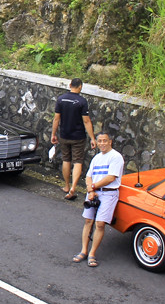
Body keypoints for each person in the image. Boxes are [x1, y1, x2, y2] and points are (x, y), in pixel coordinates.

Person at [73, 132, 125, 267]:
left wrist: (93, 187)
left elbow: (111, 178)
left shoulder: (116, 157)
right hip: (94, 192)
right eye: (100, 141)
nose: (102, 143)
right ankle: (84, 250)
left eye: (104, 141)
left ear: (110, 142)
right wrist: (91, 190)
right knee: (88, 220)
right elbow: (89, 176)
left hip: (108, 193)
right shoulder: (96, 158)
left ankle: (92, 253)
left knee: (100, 224)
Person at [51, 77, 96, 200]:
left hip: (64, 135)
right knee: (77, 162)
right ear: (80, 87)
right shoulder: (82, 101)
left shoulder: (61, 99)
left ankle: (66, 185)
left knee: (66, 160)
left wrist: (53, 134)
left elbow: (56, 119)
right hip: (78, 136)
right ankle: (73, 187)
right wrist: (92, 138)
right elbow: (86, 121)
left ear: (70, 85)